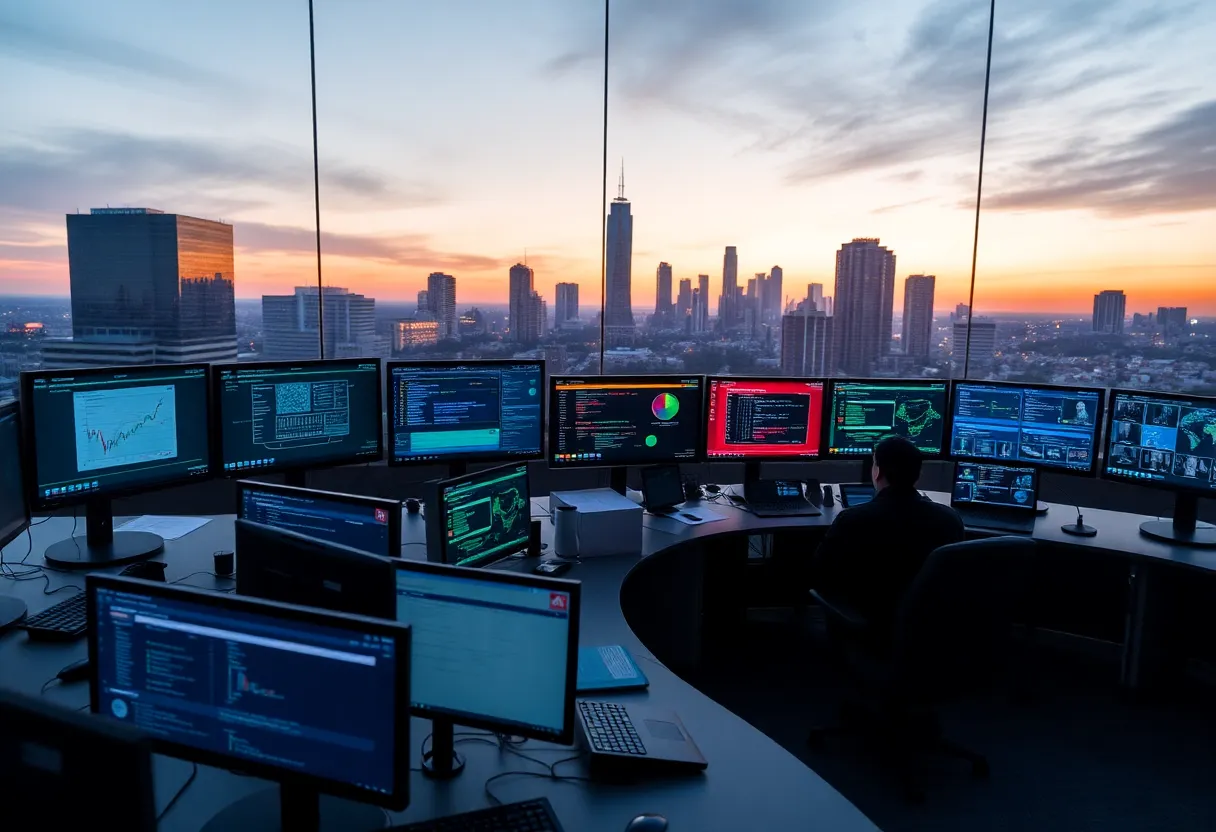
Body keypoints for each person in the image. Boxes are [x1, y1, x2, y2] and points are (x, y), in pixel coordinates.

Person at [810, 435, 965, 646]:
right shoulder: (949, 519)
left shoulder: (853, 520)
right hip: (929, 630)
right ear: (917, 475)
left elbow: (820, 573)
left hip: (872, 626)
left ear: (877, 471)